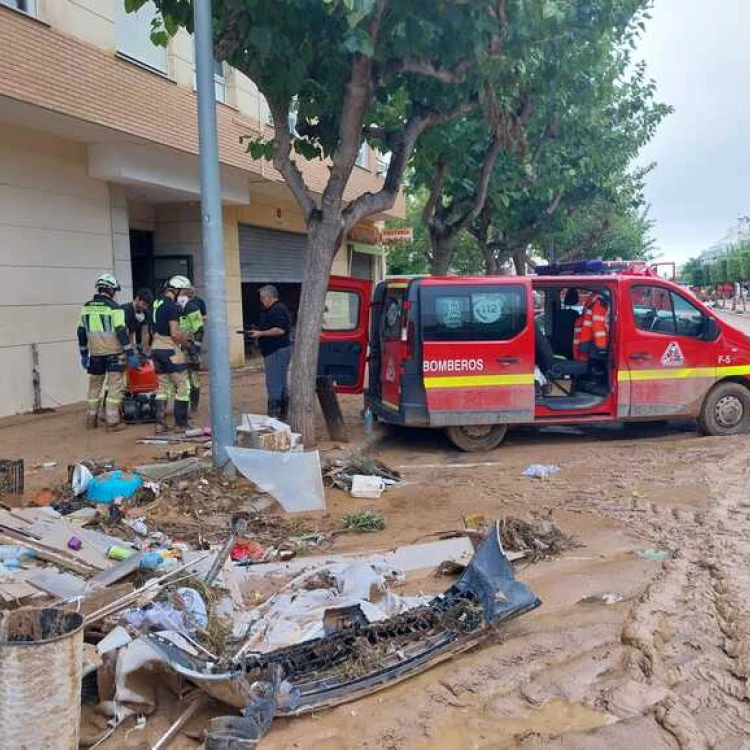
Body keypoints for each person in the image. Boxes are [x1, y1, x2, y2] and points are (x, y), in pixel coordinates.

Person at [77, 273, 139, 431]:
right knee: (114, 388)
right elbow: (120, 331)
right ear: (110, 290)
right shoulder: (115, 308)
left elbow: (81, 331)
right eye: (115, 290)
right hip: (114, 354)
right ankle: (113, 422)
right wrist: (130, 353)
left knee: (94, 387)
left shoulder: (86, 307)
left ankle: (91, 420)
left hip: (95, 354)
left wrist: (84, 353)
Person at [151, 276, 191, 433]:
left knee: (162, 386)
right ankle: (181, 424)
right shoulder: (171, 306)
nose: (184, 295)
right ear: (176, 290)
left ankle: (160, 424)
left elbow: (150, 329)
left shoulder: (156, 303)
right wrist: (188, 346)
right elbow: (175, 333)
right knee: (183, 385)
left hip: (156, 347)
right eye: (183, 291)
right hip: (169, 348)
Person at [249, 285, 292, 420]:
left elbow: (280, 330)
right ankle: (282, 414)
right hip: (276, 350)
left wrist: (260, 333)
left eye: (262, 298)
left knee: (274, 383)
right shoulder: (274, 309)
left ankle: (274, 417)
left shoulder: (277, 309)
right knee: (280, 382)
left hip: (276, 351)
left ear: (268, 297)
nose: (261, 301)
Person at [178, 284, 205, 414]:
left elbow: (199, 329)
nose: (183, 294)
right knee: (178, 379)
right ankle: (181, 408)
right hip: (175, 347)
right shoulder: (173, 306)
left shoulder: (193, 307)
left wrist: (195, 349)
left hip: (190, 347)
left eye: (185, 292)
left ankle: (193, 407)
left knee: (193, 377)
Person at [573, 292, 609, 362]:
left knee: (584, 363)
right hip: (592, 341)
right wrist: (602, 347)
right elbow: (598, 325)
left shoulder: (593, 299)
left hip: (586, 339)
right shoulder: (600, 302)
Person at [122, 288, 153, 355]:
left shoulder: (145, 312)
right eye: (144, 304)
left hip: (132, 339)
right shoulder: (125, 310)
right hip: (121, 343)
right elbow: (125, 333)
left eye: (147, 305)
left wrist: (145, 352)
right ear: (137, 298)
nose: (145, 307)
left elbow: (145, 333)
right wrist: (131, 350)